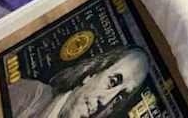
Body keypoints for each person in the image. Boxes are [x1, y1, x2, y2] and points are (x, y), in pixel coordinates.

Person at [10, 46, 150, 118]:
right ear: (91, 74)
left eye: (120, 98)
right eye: (112, 82)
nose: (106, 101)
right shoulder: (28, 96)